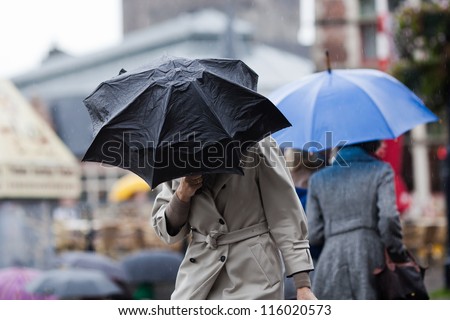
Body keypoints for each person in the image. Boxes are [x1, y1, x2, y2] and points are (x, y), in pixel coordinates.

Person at [151, 136, 317, 300]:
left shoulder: (258, 143)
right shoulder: (174, 152)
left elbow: (285, 213)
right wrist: (182, 194)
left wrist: (302, 283)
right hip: (199, 275)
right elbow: (167, 231)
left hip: (254, 273)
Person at [306, 140, 409, 299]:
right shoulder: (381, 171)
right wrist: (397, 253)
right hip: (370, 257)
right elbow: (388, 218)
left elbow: (313, 234)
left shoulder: (318, 179)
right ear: (372, 141)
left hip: (330, 261)